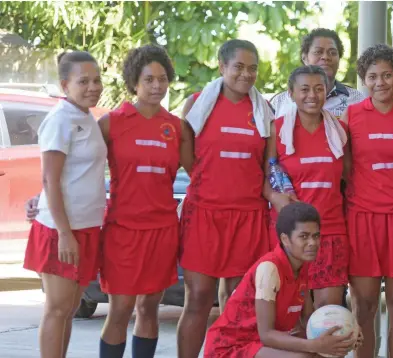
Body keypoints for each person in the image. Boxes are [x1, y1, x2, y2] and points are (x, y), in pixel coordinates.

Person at [177, 39, 274, 358]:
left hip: (248, 216)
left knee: (236, 301)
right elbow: (187, 155)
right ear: (222, 66)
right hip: (204, 213)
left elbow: (266, 168)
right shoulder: (196, 104)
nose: (246, 75)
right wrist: (210, 183)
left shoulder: (263, 109)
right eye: (239, 67)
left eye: (252, 68)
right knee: (199, 298)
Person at [96, 44, 182, 358]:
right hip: (123, 229)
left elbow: (202, 171)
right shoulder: (111, 123)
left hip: (162, 230)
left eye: (162, 79)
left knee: (149, 308)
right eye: (149, 79)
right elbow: (78, 167)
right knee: (120, 309)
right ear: (135, 82)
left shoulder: (175, 127)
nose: (157, 85)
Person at [23, 51, 107, 358]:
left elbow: (70, 176)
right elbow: (50, 180)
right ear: (64, 84)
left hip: (86, 227)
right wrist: (64, 233)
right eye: (83, 81)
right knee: (57, 309)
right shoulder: (59, 119)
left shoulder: (86, 117)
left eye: (97, 80)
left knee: (70, 309)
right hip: (61, 231)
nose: (93, 87)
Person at [343, 44, 393, 358]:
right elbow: (344, 169)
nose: (380, 82)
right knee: (364, 306)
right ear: (364, 80)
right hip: (362, 219)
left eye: (387, 75)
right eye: (373, 76)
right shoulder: (350, 116)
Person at [204, 202, 360, 358]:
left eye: (316, 236)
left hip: (259, 344)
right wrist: (314, 345)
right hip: (228, 348)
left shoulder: (302, 265)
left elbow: (308, 320)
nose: (312, 243)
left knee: (325, 353)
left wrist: (345, 332)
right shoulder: (269, 268)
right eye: (304, 236)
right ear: (285, 239)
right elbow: (266, 334)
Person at [264, 65, 349, 309]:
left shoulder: (340, 131)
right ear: (291, 93)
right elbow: (264, 177)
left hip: (330, 230)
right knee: (292, 312)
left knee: (328, 316)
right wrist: (273, 196)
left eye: (318, 89)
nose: (312, 95)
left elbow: (350, 176)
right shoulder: (277, 129)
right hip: (291, 233)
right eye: (304, 89)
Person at [270, 28, 365, 118]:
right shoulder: (279, 102)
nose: (326, 57)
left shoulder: (357, 100)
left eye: (332, 53)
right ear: (305, 58)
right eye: (318, 52)